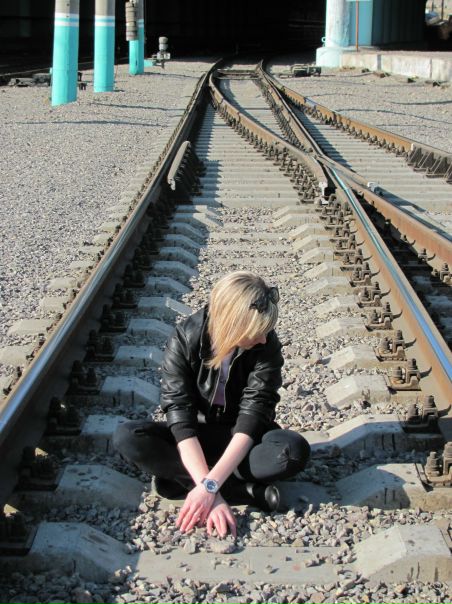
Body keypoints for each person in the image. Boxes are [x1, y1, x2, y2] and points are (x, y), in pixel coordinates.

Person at [113, 271, 310, 538]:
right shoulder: (185, 338)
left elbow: (253, 415)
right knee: (127, 437)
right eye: (256, 332)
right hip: (195, 438)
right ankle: (239, 491)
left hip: (241, 440)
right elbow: (180, 417)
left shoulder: (267, 344)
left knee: (292, 452)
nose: (263, 338)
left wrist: (209, 485)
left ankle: (184, 483)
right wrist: (211, 494)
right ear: (233, 323)